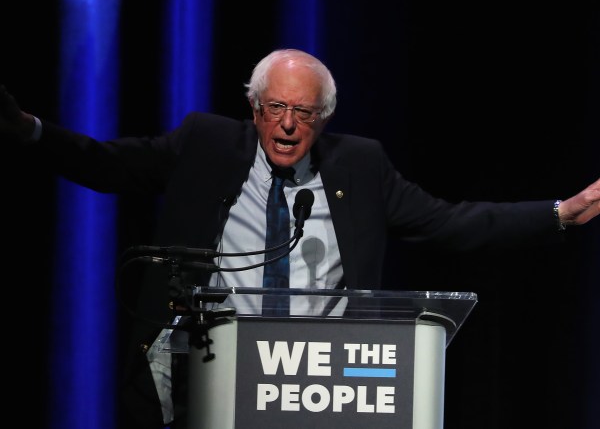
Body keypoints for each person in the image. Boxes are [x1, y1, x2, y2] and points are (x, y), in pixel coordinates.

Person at [0, 48, 599, 428]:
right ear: (256, 108)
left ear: (324, 118)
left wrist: (562, 213)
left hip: (315, 381)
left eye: (305, 113)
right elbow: (109, 164)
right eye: (278, 108)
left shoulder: (361, 167)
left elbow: (451, 221)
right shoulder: (205, 144)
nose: (289, 125)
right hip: (205, 372)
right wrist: (30, 132)